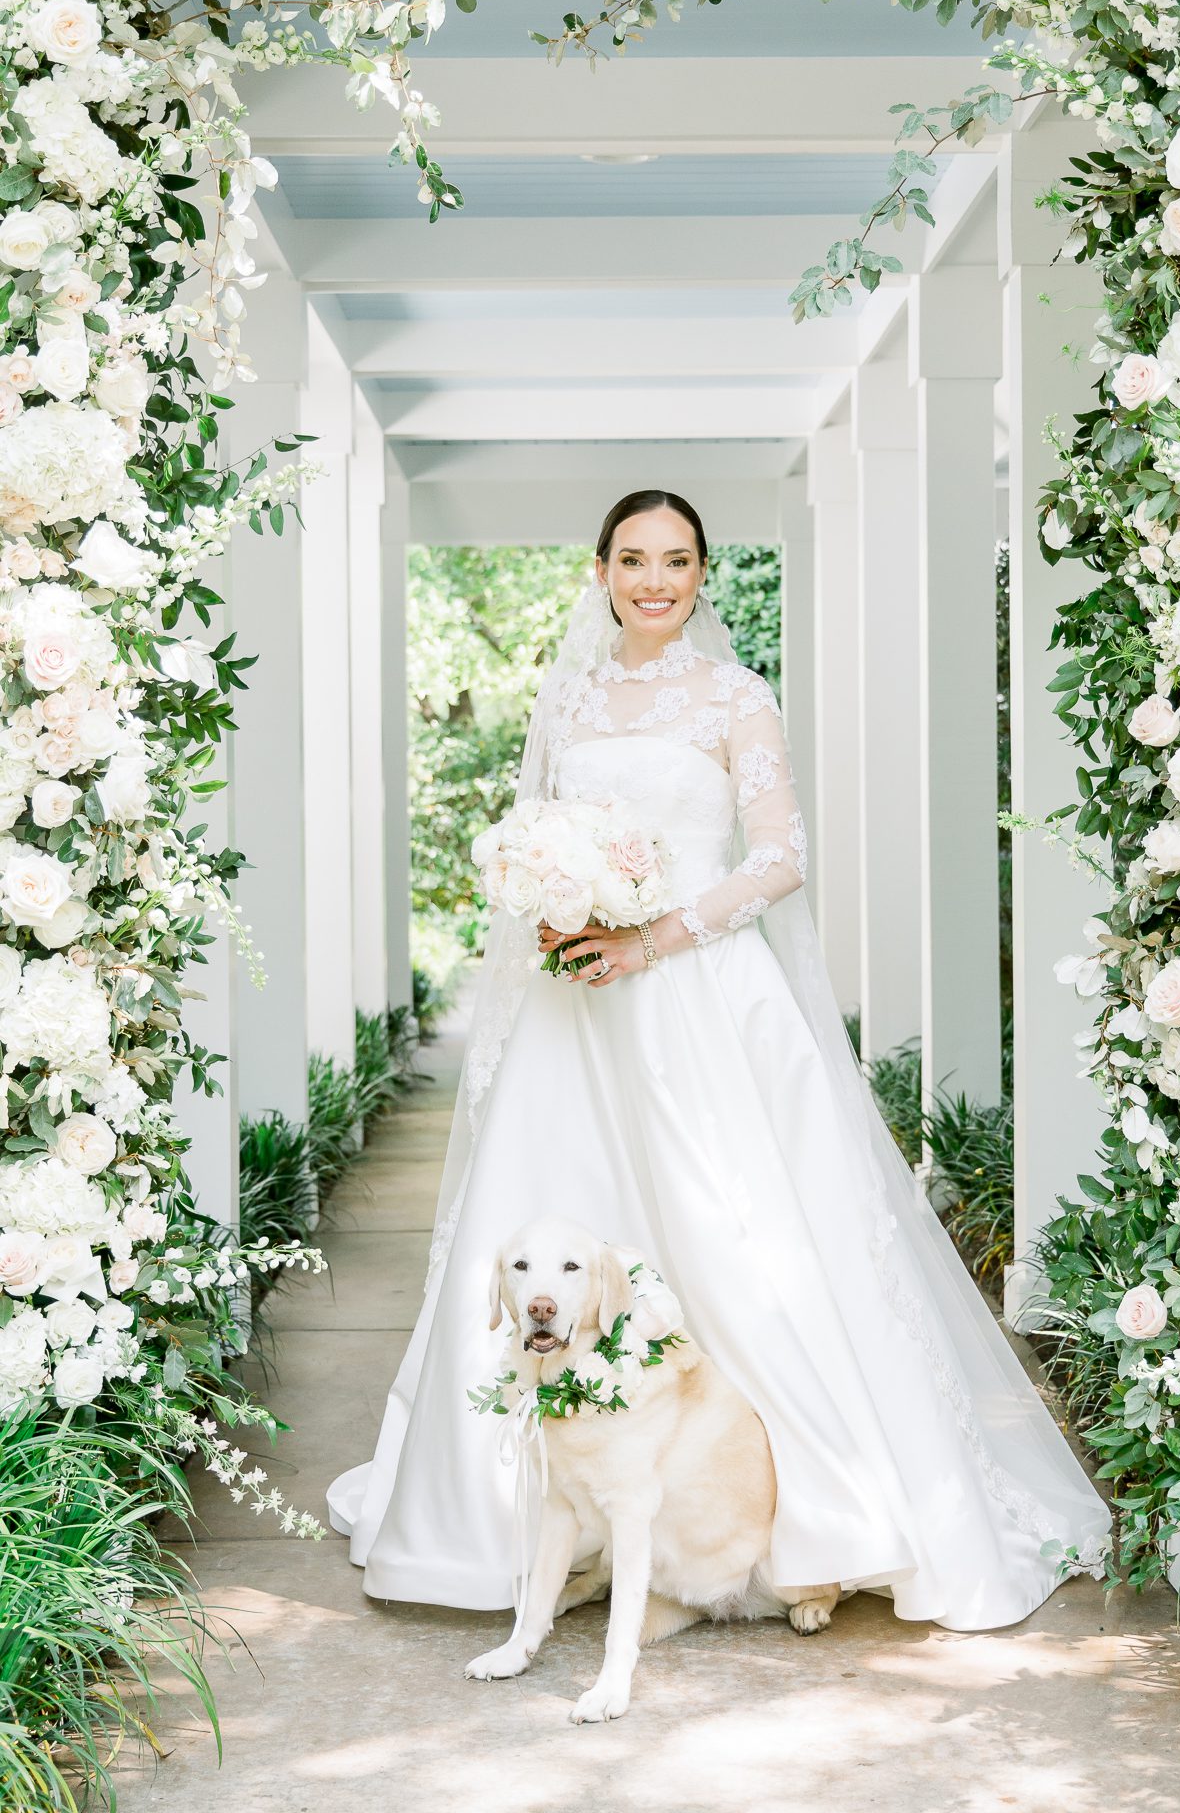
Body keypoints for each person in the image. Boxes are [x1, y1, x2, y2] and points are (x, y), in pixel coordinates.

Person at [328, 489, 1111, 1628]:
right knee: (557, 1206)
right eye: (633, 559)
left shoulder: (736, 695)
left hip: (698, 998)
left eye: (676, 560)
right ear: (600, 571)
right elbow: (537, 837)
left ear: (702, 573)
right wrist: (558, 902)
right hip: (576, 1007)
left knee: (743, 1238)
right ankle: (518, 1515)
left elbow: (780, 857)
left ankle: (790, 1509)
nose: (654, 580)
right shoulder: (567, 695)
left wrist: (650, 936)